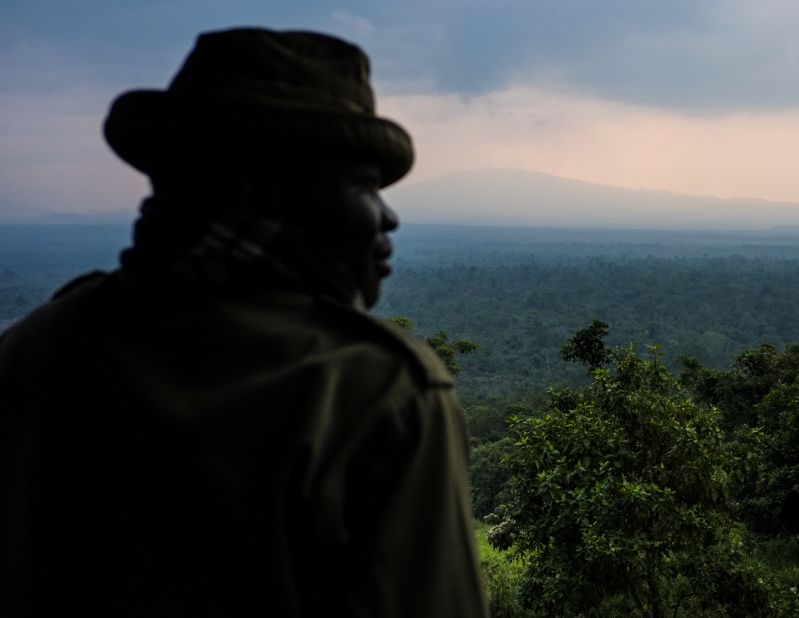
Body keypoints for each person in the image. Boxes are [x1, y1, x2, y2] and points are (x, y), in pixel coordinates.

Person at [0, 28, 487, 617]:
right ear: (273, 191)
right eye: (364, 187)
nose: (388, 217)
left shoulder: (37, 346)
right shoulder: (371, 390)